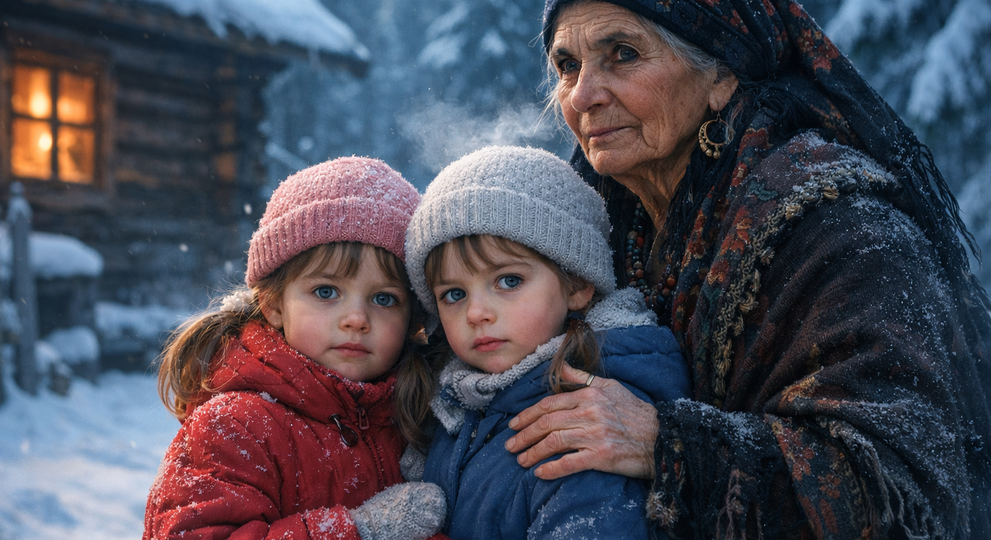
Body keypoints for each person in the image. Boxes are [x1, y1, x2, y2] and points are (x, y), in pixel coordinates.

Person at [501, 0, 991, 538]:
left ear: (721, 74)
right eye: (567, 65)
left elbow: (901, 495)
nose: (582, 95)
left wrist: (665, 444)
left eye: (622, 54)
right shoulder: (596, 230)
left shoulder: (846, 237)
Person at [143, 157, 448, 540]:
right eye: (326, 291)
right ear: (273, 303)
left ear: (413, 319)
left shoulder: (420, 413)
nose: (356, 318)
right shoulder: (234, 427)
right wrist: (358, 531)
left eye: (384, 299)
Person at [402, 145, 692, 539]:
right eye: (454, 294)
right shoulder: (454, 407)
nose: (476, 313)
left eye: (508, 281)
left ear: (577, 283)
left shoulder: (585, 425)